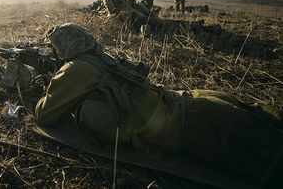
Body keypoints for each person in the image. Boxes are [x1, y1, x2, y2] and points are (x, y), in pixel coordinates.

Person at [34, 23, 282, 186]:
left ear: (65, 48)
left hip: (187, 127)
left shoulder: (76, 69)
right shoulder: (101, 58)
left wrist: (50, 84)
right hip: (190, 102)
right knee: (267, 128)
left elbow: (44, 115)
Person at [89, 0, 161, 31]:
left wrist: (107, 16)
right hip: (130, 10)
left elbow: (110, 7)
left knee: (130, 29)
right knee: (147, 20)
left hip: (123, 13)